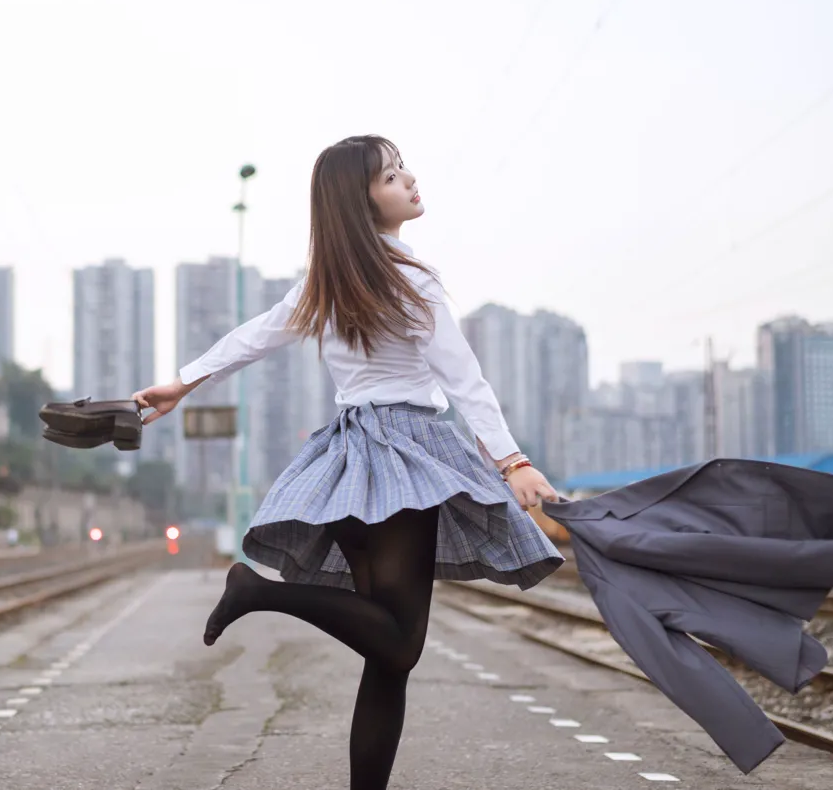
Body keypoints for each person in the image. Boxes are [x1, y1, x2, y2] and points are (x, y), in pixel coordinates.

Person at [132, 135, 565, 790]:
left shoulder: (325, 281)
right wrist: (513, 461)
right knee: (399, 644)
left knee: (387, 661)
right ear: (358, 202)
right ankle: (257, 590)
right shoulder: (409, 276)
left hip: (342, 465)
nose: (410, 180)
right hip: (405, 459)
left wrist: (184, 381)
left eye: (403, 169)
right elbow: (462, 376)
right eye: (392, 176)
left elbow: (255, 336)